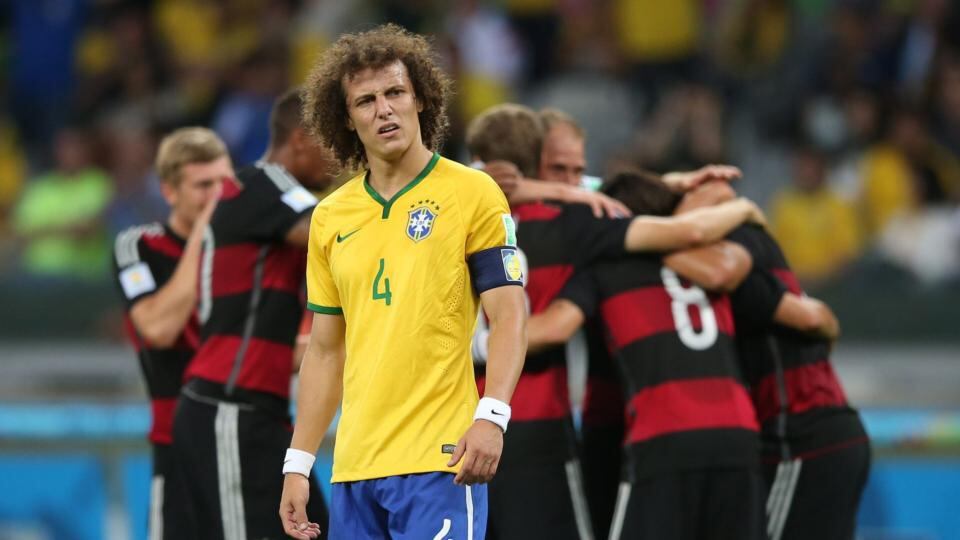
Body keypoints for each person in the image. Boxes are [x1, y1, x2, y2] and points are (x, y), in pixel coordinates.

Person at [465, 103, 765, 540]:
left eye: (577, 172)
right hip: (538, 429)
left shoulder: (456, 216)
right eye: (559, 169)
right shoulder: (581, 225)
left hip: (473, 424)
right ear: (531, 166)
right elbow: (689, 234)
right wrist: (743, 211)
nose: (572, 183)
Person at [280, 24, 528, 540]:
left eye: (394, 92)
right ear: (346, 119)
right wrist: (299, 463)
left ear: (420, 100)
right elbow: (326, 352)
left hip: (440, 458)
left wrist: (493, 415)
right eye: (365, 101)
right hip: (354, 469)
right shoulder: (330, 218)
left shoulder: (472, 193)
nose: (384, 109)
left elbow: (508, 315)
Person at [524, 171, 767, 540]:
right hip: (739, 436)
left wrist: (472, 343)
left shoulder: (607, 265)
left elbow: (556, 327)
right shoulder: (714, 260)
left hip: (665, 437)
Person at [171, 89, 333, 540]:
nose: (339, 156)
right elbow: (333, 233)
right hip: (229, 407)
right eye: (331, 142)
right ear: (300, 138)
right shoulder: (266, 183)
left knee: (314, 530)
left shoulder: (255, 198)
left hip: (255, 410)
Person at [681, 181, 870, 540]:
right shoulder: (762, 246)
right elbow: (821, 320)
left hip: (801, 436)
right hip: (827, 430)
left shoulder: (737, 255)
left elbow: (813, 319)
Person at [112, 127, 228, 539]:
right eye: (203, 185)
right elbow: (158, 328)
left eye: (223, 183)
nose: (217, 195)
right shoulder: (139, 246)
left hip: (251, 440)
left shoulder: (250, 250)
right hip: (179, 448)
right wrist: (205, 235)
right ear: (169, 191)